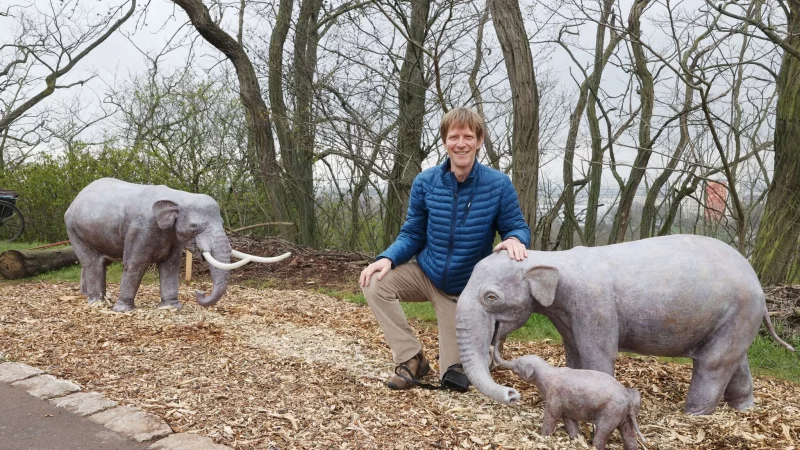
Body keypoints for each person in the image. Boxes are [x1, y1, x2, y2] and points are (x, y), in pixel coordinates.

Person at [359, 107, 531, 392]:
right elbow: (412, 232)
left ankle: (483, 351)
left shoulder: (498, 184)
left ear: (479, 141)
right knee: (374, 282)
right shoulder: (425, 182)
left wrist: (515, 239)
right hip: (427, 272)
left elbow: (517, 227)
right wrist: (388, 257)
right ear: (445, 141)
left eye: (467, 136)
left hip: (464, 289)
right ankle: (412, 358)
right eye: (454, 137)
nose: (460, 143)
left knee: (454, 378)